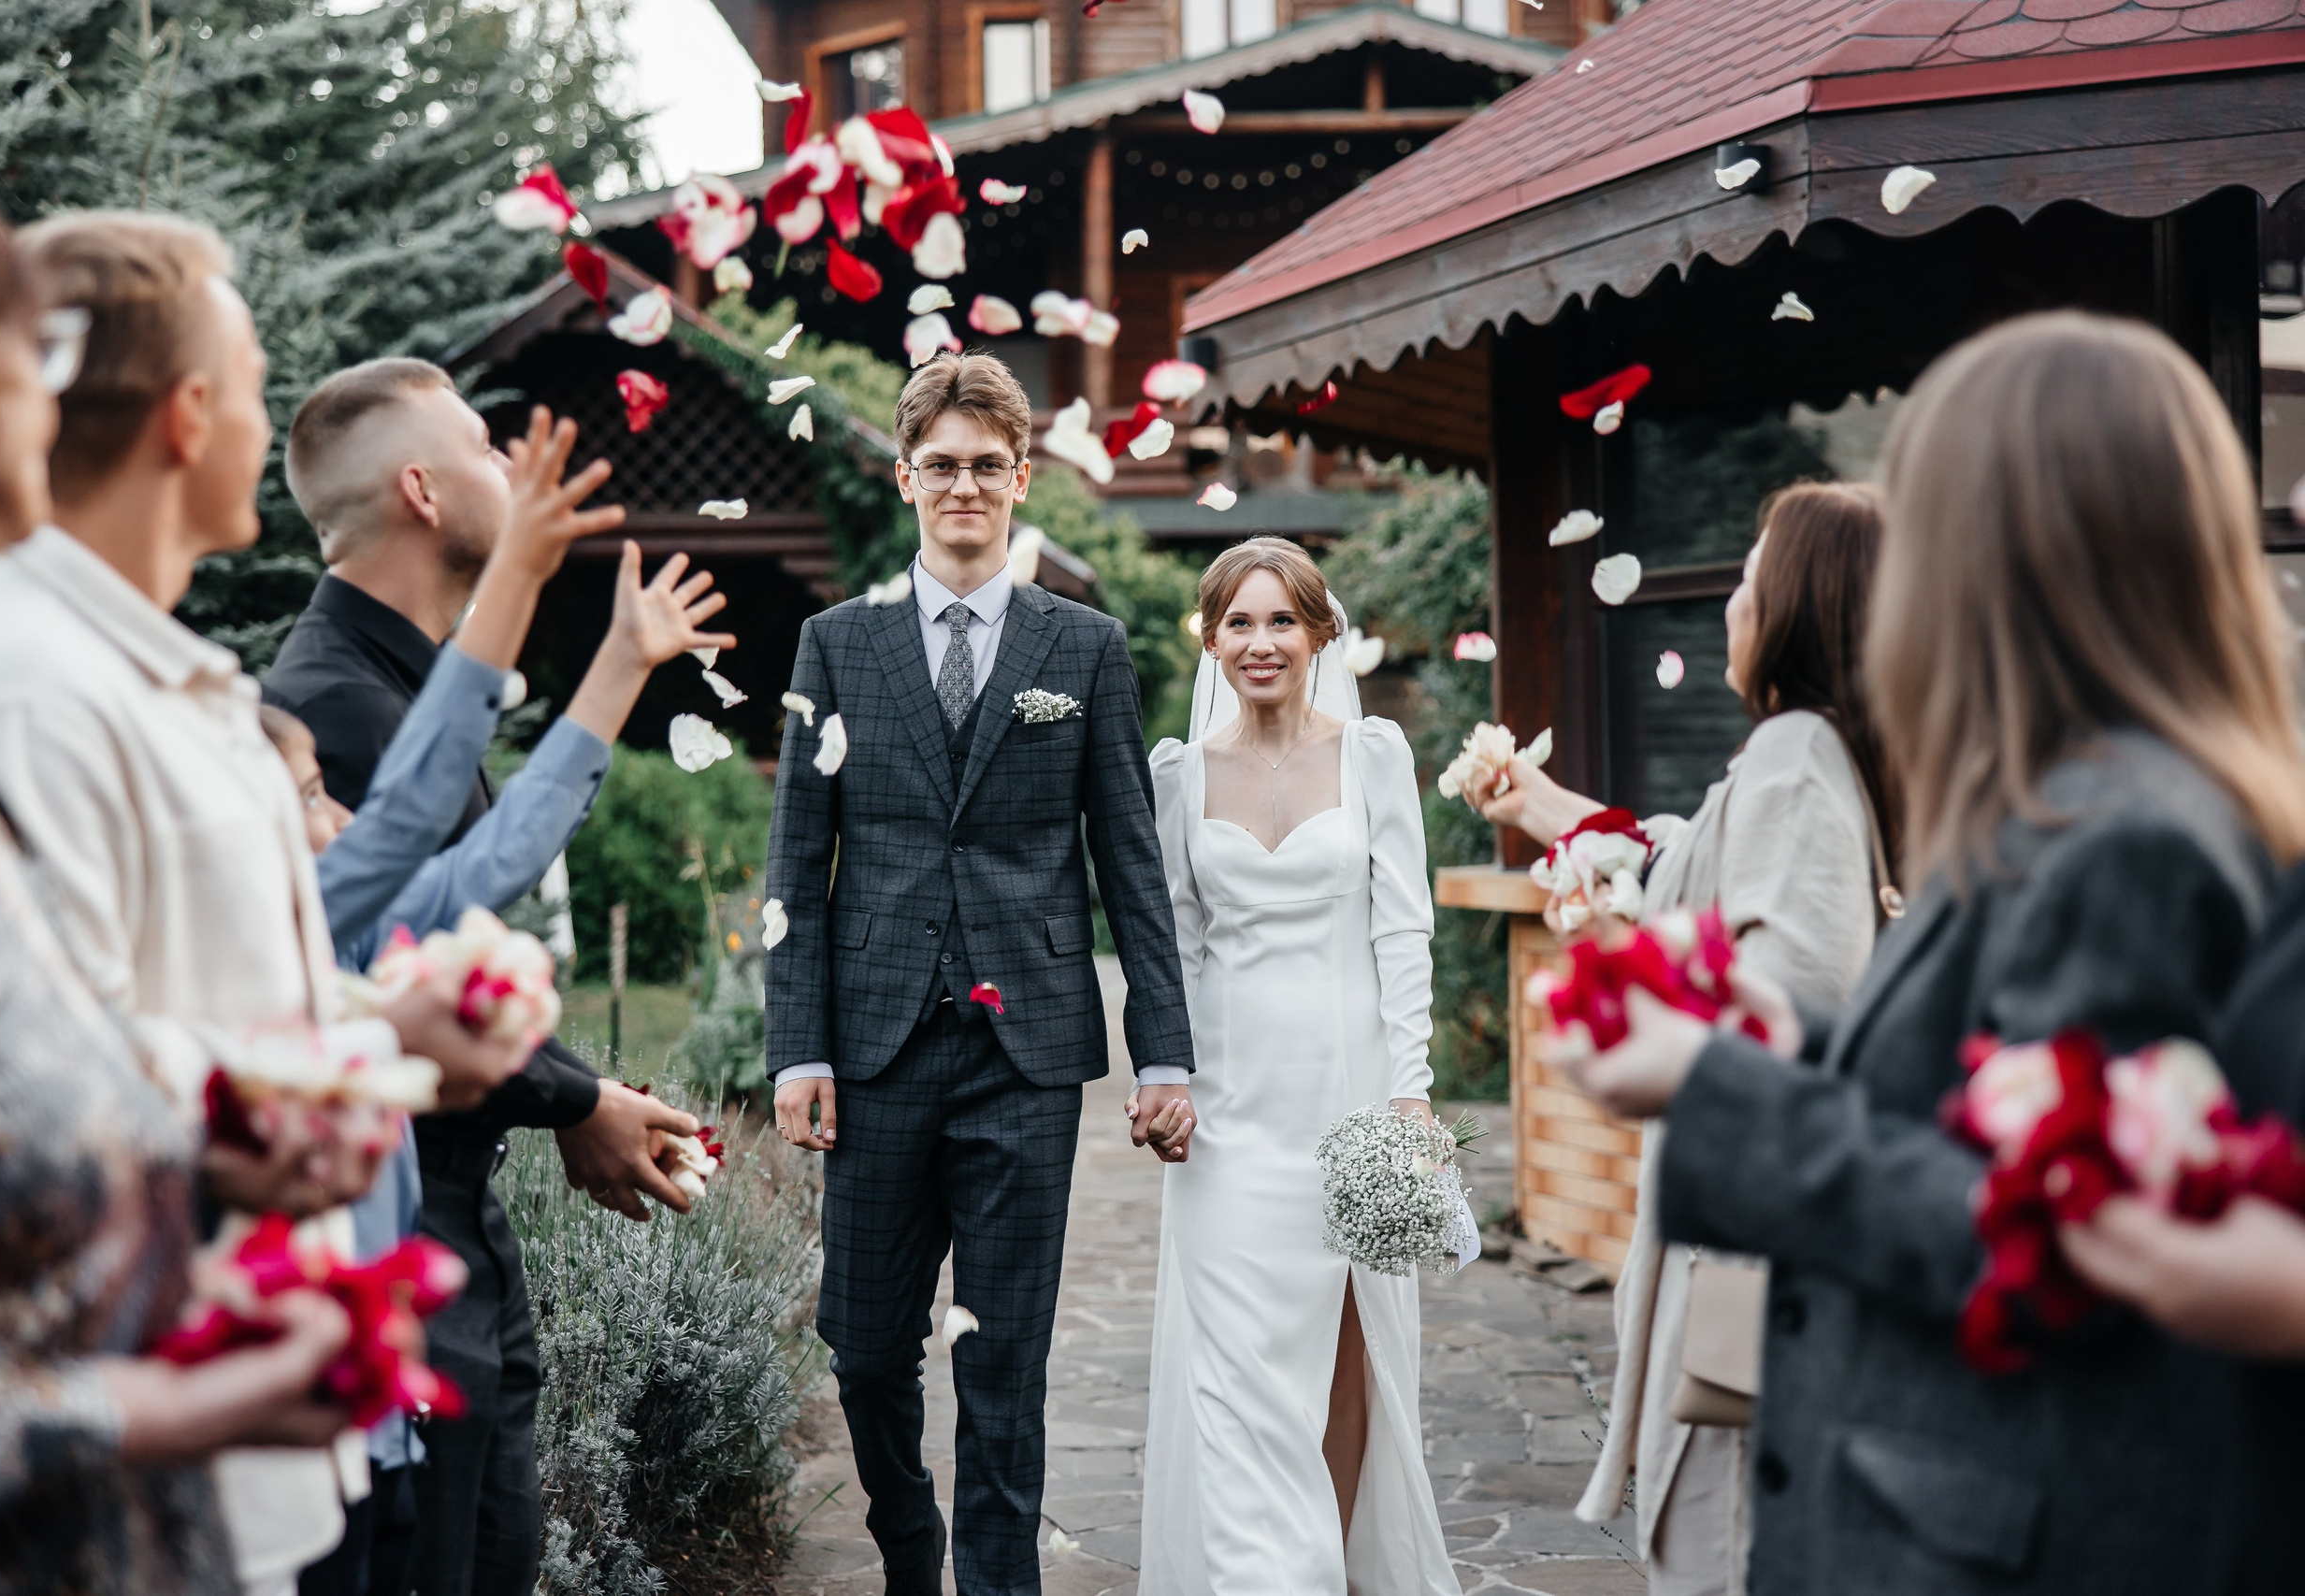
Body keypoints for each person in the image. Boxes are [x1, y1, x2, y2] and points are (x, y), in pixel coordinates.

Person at [1554, 311, 2305, 1595]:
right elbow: (2001, 1088)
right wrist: (1797, 1038)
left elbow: (2055, 1227)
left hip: (1989, 1530)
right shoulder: (2089, 797)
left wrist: (1714, 1084)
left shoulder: (2122, 838)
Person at [0, 209, 533, 1596]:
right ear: (191, 415)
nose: (270, 426)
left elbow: (222, 989)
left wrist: (384, 1022)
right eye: (256, 385)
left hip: (261, 1442)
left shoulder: (175, 674)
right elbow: (38, 1077)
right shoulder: (30, 690)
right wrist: (343, 1066)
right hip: (125, 1457)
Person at [0, 158, 347, 1595]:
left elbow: (25, 1107)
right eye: (26, 351)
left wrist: (243, 1138)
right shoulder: (10, 693)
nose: (59, 394)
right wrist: (135, 1402)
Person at [263, 357, 703, 1596]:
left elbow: (483, 867)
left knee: (493, 1554)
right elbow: (424, 953)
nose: (509, 463)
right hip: (389, 1219)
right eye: (480, 443)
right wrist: (579, 1096)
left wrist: (620, 661)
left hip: (456, 1197)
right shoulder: (329, 703)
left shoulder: (399, 675)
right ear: (420, 489)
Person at [763, 351, 1192, 1596]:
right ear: (906, 477)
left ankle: (1000, 1583)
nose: (965, 485)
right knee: (862, 1348)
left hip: (1028, 1050)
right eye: (941, 465)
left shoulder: (1086, 647)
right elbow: (794, 860)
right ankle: (913, 1552)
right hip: (875, 1045)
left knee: (1004, 1360)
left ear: (1021, 479)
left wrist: (1164, 1050)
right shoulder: (835, 645)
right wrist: (797, 1048)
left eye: (986, 466)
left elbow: (1128, 863)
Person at [1479, 482, 1894, 1595]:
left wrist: (1632, 988)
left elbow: (1793, 997)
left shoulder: (1795, 755)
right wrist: (1542, 808)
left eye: (1750, 578)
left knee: (1721, 1544)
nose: (1729, 603)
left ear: (1798, 604)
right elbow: (1676, 867)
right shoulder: (1822, 751)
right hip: (1748, 1228)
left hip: (1746, 1249)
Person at [1134, 536, 1455, 1593]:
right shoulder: (1178, 774)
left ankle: (1335, 1569)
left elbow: (1402, 930)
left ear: (1320, 635)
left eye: (1281, 621)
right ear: (1211, 640)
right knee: (1235, 1381)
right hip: (1227, 1118)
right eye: (1239, 622)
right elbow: (1174, 949)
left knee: (1349, 1362)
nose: (1260, 642)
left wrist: (1409, 1093)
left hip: (1350, 1105)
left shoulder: (1373, 756)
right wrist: (1163, 1077)